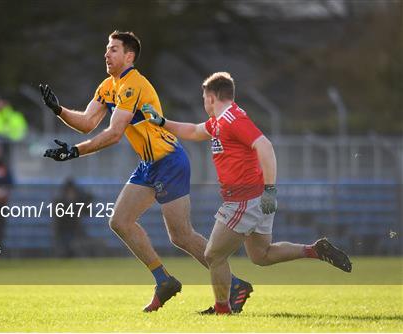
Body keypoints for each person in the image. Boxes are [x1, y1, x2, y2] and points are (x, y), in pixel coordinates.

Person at [40, 31, 252, 312]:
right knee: (119, 221)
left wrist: (75, 151)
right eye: (107, 49)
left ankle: (235, 284)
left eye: (113, 49)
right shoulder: (108, 86)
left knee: (181, 235)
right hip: (149, 164)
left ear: (129, 56)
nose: (106, 54)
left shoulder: (133, 85)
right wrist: (59, 110)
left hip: (169, 162)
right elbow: (88, 122)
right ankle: (163, 279)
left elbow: (114, 134)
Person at [141, 71, 352, 315]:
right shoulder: (221, 120)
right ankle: (314, 250)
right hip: (254, 198)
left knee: (213, 254)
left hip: (244, 199)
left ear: (211, 97)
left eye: (204, 98)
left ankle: (222, 310)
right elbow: (194, 131)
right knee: (261, 255)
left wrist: (270, 189)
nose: (203, 103)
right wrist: (162, 122)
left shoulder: (232, 119)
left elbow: (265, 146)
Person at [53, 178, 94, 258]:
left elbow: (87, 210)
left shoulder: (77, 202)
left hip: (75, 232)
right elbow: (59, 220)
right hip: (63, 232)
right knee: (68, 246)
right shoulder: (60, 203)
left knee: (80, 244)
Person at [0, 96, 28, 163]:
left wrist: (9, 137)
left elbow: (22, 131)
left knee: (9, 163)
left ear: (5, 103)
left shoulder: (16, 116)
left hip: (12, 145)